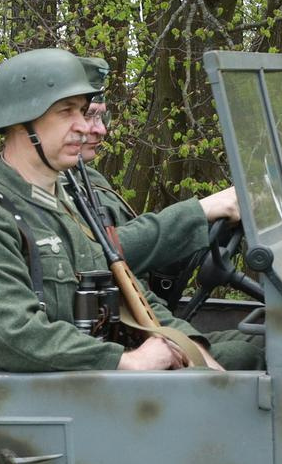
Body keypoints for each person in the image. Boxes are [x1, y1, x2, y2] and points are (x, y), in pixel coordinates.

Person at [0, 48, 253, 373]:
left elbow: (135, 294)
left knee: (266, 348)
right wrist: (125, 361)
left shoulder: (68, 207)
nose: (85, 126)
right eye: (66, 112)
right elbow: (15, 338)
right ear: (21, 121)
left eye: (83, 111)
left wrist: (191, 346)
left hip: (98, 379)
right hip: (60, 398)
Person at [66, 54, 267, 371]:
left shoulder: (89, 181)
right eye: (88, 116)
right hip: (125, 345)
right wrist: (200, 212)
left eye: (100, 117)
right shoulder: (59, 190)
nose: (99, 130)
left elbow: (130, 268)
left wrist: (202, 243)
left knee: (273, 341)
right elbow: (101, 254)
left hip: (143, 323)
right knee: (260, 356)